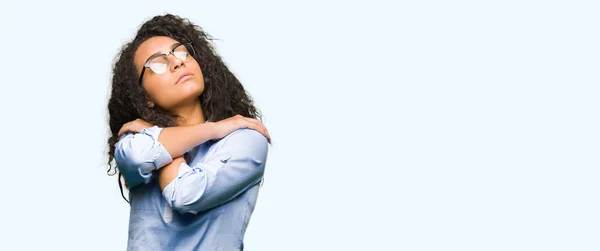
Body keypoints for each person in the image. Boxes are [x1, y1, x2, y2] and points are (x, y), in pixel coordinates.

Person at [106, 13, 271, 250]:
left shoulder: (247, 138)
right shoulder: (133, 139)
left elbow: (184, 194)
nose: (177, 62)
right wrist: (212, 129)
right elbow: (139, 156)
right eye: (158, 63)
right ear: (145, 98)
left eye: (181, 52)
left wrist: (157, 133)